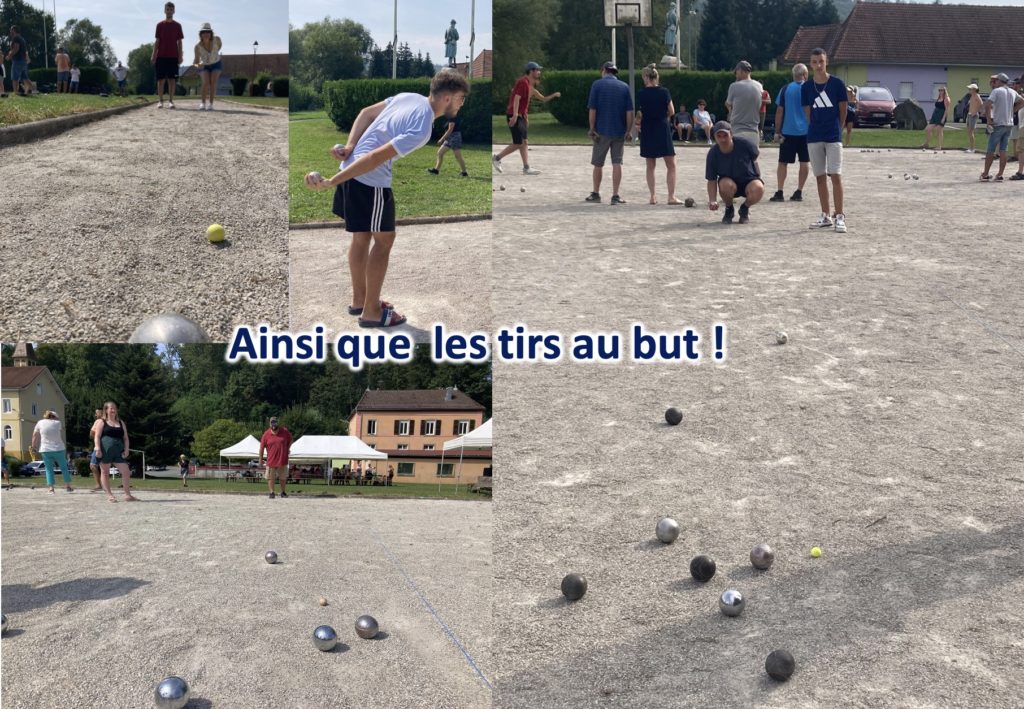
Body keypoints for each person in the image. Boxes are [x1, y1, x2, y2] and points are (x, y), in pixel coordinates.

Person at [303, 69, 470, 328]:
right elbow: (375, 157)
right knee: (384, 240)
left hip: (352, 168)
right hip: (368, 179)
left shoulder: (408, 97)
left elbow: (365, 114)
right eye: (460, 98)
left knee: (362, 236)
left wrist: (348, 148)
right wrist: (335, 181)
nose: (462, 103)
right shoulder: (423, 127)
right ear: (447, 98)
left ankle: (361, 300)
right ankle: (371, 311)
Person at [802, 47, 848, 233]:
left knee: (835, 175)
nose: (818, 65)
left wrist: (839, 127)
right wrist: (816, 126)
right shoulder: (806, 87)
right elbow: (808, 113)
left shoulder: (837, 83)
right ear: (810, 64)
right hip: (814, 136)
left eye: (821, 61)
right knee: (820, 177)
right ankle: (825, 215)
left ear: (826, 61)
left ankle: (840, 216)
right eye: (814, 62)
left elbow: (843, 108)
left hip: (833, 135)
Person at [492, 62, 560, 176]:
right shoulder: (522, 82)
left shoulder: (529, 86)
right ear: (531, 71)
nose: (539, 72)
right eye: (538, 70)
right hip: (514, 115)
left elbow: (543, 99)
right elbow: (517, 99)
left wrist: (554, 95)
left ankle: (526, 167)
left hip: (521, 116)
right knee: (518, 143)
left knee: (524, 142)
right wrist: (514, 115)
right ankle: (497, 158)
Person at [585, 61, 634, 204]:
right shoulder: (625, 87)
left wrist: (592, 128)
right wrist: (628, 131)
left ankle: (596, 193)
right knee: (617, 163)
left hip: (602, 131)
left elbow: (592, 109)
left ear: (604, 70)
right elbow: (629, 112)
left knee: (598, 164)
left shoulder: (597, 85)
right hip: (619, 131)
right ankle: (615, 195)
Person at [636, 64, 681, 205]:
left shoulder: (641, 93)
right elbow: (672, 111)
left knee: (650, 165)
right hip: (662, 127)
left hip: (648, 128)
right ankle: (671, 196)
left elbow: (640, 112)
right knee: (671, 164)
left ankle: (653, 196)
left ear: (647, 77)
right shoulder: (664, 92)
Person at [705, 121, 764, 225]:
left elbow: (755, 156)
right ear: (715, 137)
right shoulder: (713, 153)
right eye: (719, 136)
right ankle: (729, 209)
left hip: (748, 180)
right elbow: (711, 179)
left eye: (725, 135)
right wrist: (712, 200)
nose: (723, 139)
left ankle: (744, 209)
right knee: (724, 184)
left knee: (759, 188)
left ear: (731, 134)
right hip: (729, 183)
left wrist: (757, 175)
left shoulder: (745, 144)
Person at [770, 63, 810, 203]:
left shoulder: (785, 89)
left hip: (788, 131)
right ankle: (799, 191)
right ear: (805, 74)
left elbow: (780, 111)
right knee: (804, 161)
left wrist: (777, 131)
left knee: (783, 162)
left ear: (793, 75)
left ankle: (780, 191)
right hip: (806, 132)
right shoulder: (810, 89)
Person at [982, 73, 1024, 181]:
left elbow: (987, 104)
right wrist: (1012, 111)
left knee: (991, 149)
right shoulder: (1012, 91)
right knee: (1003, 149)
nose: (994, 83)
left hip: (998, 123)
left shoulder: (996, 91)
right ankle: (1000, 174)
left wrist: (988, 120)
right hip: (1009, 124)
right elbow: (1022, 101)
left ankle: (985, 174)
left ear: (999, 81)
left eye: (995, 81)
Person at [94, 401, 138, 502]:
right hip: (105, 451)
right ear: (106, 410)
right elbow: (97, 436)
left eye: (115, 408)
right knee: (105, 473)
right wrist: (97, 448)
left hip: (118, 451)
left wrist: (127, 449)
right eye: (111, 408)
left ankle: (127, 495)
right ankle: (110, 496)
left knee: (126, 471)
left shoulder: (121, 422)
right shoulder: (102, 422)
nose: (113, 410)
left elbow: (126, 438)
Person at [151, 2, 184, 109]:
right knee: (160, 80)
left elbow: (179, 42)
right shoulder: (159, 25)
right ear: (165, 11)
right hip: (161, 56)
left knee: (171, 80)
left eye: (171, 9)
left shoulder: (178, 26)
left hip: (173, 56)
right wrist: (153, 54)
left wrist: (180, 56)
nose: (169, 11)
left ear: (174, 11)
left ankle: (171, 101)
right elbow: (157, 41)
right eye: (167, 9)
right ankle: (160, 101)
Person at [32, 411, 73, 495]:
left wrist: (34, 447)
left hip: (45, 449)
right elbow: (59, 429)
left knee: (49, 469)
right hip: (59, 449)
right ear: (54, 417)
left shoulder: (40, 422)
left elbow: (35, 436)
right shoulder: (58, 423)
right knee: (64, 468)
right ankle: (68, 487)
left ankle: (51, 489)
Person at [725, 60, 763, 146]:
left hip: (737, 129)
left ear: (741, 71)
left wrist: (730, 111)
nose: (736, 74)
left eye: (736, 72)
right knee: (752, 158)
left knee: (737, 158)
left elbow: (728, 103)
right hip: (754, 130)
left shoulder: (734, 86)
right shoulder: (759, 86)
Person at [259, 416, 292, 499]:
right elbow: (262, 448)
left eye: (275, 422)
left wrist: (287, 448)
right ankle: (271, 492)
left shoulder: (284, 431)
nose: (273, 424)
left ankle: (283, 492)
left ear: (277, 422)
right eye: (272, 422)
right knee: (270, 477)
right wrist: (260, 459)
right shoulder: (266, 434)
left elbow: (291, 440)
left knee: (283, 477)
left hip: (282, 459)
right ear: (270, 424)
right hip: (271, 460)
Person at [193, 22, 222, 111]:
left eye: (208, 32)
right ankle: (203, 103)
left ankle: (211, 104)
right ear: (201, 34)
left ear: (211, 33)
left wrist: (214, 56)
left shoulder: (217, 40)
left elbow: (219, 47)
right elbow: (196, 61)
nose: (206, 34)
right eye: (204, 32)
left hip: (216, 63)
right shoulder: (197, 47)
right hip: (204, 65)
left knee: (213, 83)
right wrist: (198, 65)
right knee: (205, 83)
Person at [921, 86, 950, 150]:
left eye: (941, 90)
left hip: (941, 115)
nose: (940, 92)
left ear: (945, 91)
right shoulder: (939, 98)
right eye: (939, 90)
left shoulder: (946, 99)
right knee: (927, 129)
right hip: (935, 116)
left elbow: (947, 109)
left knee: (939, 131)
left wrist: (943, 118)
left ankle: (939, 146)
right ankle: (927, 143)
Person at [5, 26, 31, 97]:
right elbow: (24, 51)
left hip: (17, 60)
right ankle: (28, 91)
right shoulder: (22, 39)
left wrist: (9, 56)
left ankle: (15, 93)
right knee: (25, 77)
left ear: (14, 30)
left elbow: (16, 48)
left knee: (14, 78)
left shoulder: (16, 38)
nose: (10, 32)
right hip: (23, 61)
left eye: (11, 30)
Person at [88, 408, 104, 491]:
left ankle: (99, 485)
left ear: (101, 413)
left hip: (99, 446)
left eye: (96, 413)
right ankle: (104, 484)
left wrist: (97, 437)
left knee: (93, 465)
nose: (95, 415)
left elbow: (91, 434)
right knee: (104, 465)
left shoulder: (98, 421)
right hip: (108, 446)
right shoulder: (111, 421)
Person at [965, 83, 983, 153]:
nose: (969, 90)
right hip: (969, 115)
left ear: (974, 89)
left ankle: (972, 148)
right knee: (969, 132)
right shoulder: (972, 96)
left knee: (971, 131)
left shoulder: (977, 95)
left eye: (970, 89)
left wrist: (975, 112)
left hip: (973, 115)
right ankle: (970, 147)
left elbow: (981, 103)